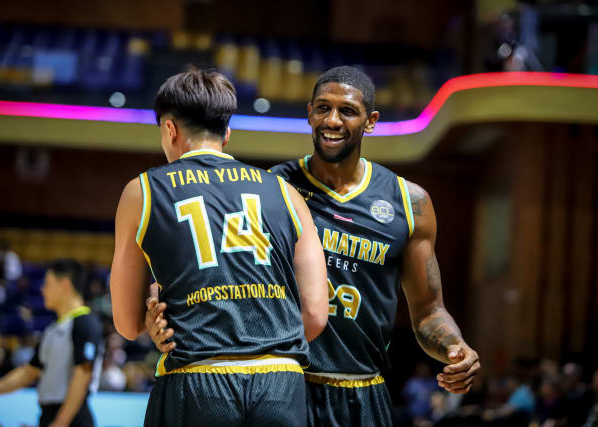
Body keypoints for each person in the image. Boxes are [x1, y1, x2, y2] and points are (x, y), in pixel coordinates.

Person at [145, 66, 480, 426]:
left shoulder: (409, 203)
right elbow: (213, 272)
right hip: (283, 384)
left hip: (363, 389)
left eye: (347, 111)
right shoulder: (272, 188)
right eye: (323, 108)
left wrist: (454, 346)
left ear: (370, 121)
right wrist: (160, 316)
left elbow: (429, 311)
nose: (332, 120)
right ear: (309, 113)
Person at [110, 68, 328, 426]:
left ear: (170, 130)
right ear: (227, 133)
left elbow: (127, 323)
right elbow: (317, 314)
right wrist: (261, 345)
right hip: (281, 382)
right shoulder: (286, 193)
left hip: (197, 378)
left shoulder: (142, 191)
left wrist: (152, 320)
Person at [0, 258, 104, 427]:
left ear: (65, 285)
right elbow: (28, 372)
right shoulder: (52, 330)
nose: (42, 290)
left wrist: (61, 422)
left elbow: (83, 375)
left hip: (72, 418)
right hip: (49, 415)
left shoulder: (85, 323)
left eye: (47, 284)